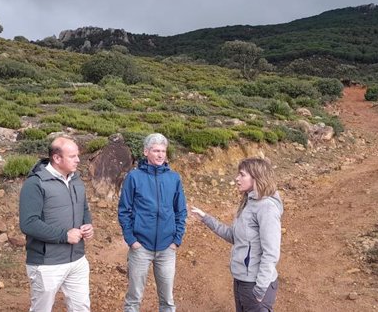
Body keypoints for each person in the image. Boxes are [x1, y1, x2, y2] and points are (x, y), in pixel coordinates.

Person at [191, 158, 283, 312]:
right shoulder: (248, 203)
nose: (237, 178)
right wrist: (205, 218)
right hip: (242, 281)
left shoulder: (266, 208)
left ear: (256, 177)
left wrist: (260, 289)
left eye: (242, 175)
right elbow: (233, 236)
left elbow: (271, 252)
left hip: (255, 284)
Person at [19, 135, 94, 312]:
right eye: (73, 156)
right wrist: (64, 235)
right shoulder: (35, 183)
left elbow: (84, 208)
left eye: (78, 155)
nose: (78, 160)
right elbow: (28, 224)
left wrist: (87, 224)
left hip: (77, 259)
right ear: (57, 158)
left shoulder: (76, 179)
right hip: (46, 264)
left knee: (82, 308)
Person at [118, 133, 187, 312]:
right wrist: (131, 240)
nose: (160, 155)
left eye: (163, 151)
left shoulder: (174, 178)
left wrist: (176, 240)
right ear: (146, 152)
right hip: (140, 248)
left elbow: (180, 211)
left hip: (166, 248)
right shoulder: (134, 177)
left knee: (167, 301)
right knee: (134, 299)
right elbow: (124, 210)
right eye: (156, 150)